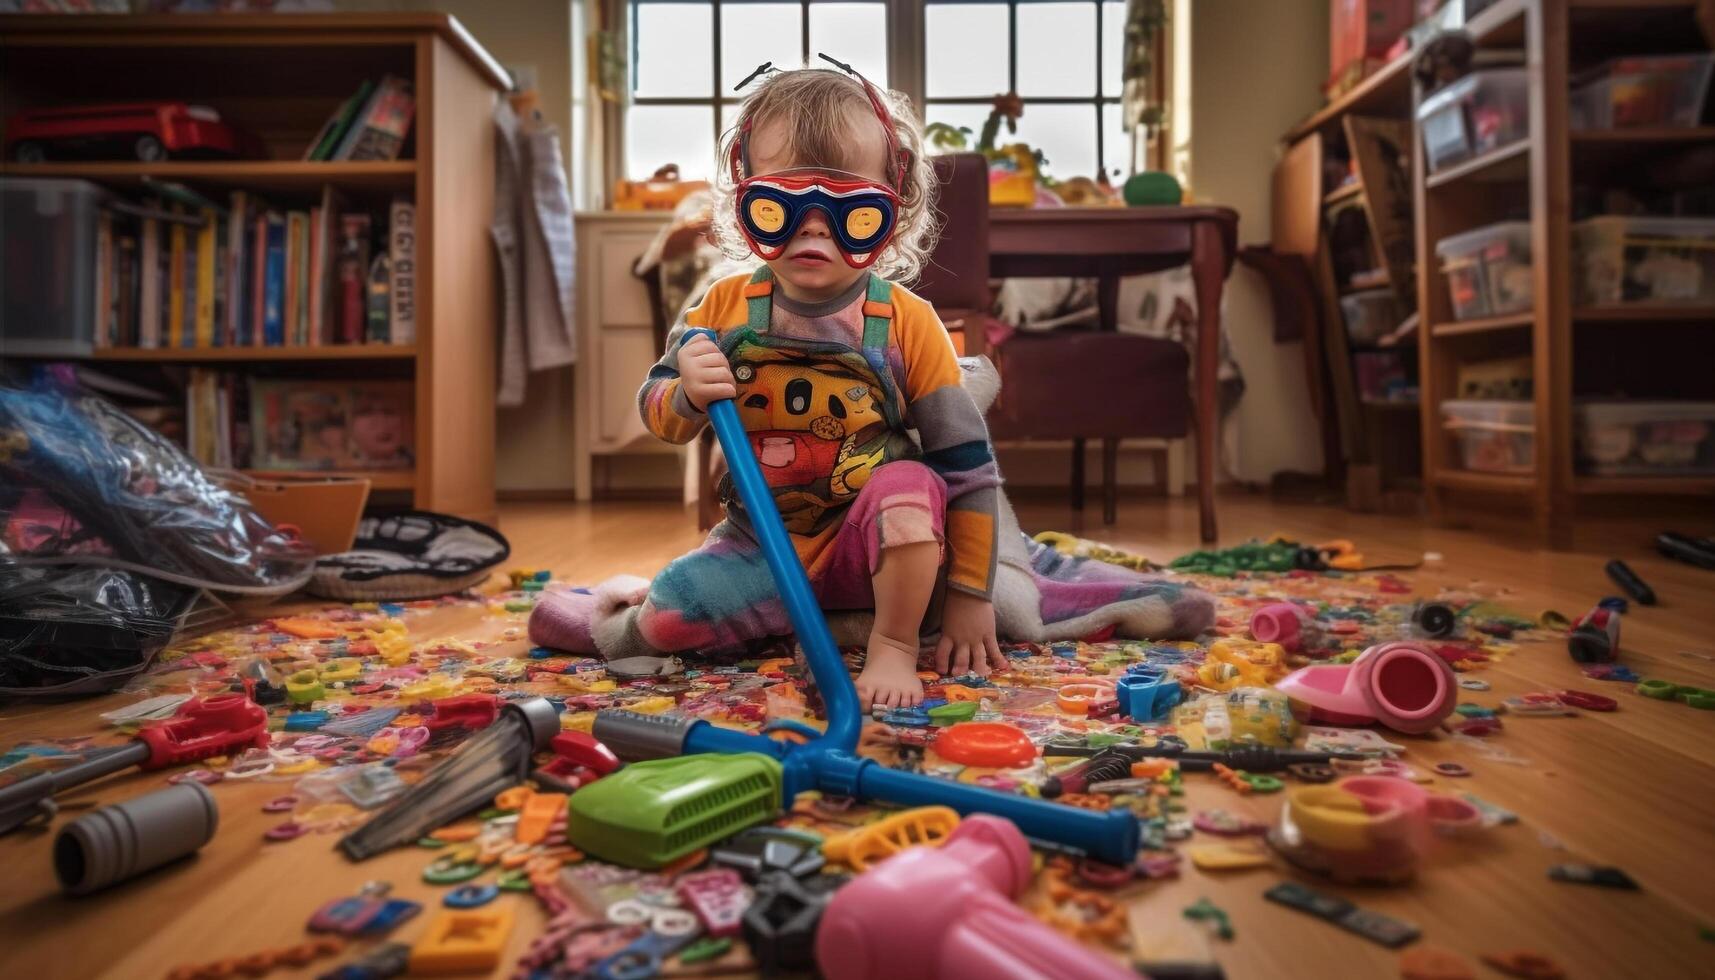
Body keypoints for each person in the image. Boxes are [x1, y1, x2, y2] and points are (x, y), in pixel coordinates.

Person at [627, 57, 999, 708]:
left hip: (874, 546)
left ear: (893, 210)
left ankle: (890, 642)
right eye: (780, 205)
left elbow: (965, 469)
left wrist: (970, 597)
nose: (813, 227)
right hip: (760, 543)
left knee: (909, 486)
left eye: (850, 211)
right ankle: (817, 621)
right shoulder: (718, 309)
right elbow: (662, 415)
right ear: (745, 201)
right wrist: (683, 388)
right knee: (664, 622)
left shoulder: (908, 322)